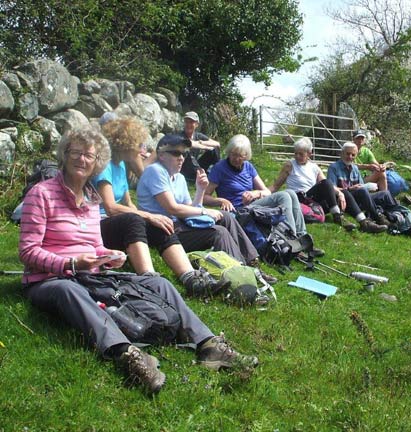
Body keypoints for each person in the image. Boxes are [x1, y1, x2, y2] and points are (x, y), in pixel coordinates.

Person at [18, 126, 258, 395]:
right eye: (76, 153)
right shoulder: (41, 194)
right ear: (64, 154)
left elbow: (95, 245)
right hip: (50, 279)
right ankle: (127, 354)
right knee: (68, 289)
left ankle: (207, 344)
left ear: (97, 162)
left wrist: (108, 257)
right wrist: (70, 265)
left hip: (90, 273)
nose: (82, 160)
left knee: (159, 283)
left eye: (89, 155)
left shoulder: (91, 197)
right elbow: (28, 252)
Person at [94, 116, 221, 294]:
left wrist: (152, 219)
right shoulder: (104, 166)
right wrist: (147, 215)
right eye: (138, 144)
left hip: (116, 221)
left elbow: (128, 202)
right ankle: (149, 278)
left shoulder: (120, 166)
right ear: (124, 143)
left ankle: (191, 278)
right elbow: (110, 207)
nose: (141, 150)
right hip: (98, 224)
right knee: (136, 219)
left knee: (160, 224)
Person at [136, 134, 276, 281]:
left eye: (184, 153)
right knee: (219, 232)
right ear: (161, 155)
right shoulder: (155, 171)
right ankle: (241, 274)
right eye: (176, 153)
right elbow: (173, 209)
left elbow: (190, 209)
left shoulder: (179, 177)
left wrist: (200, 190)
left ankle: (253, 264)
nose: (181, 158)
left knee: (226, 217)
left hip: (180, 225)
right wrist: (204, 210)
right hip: (162, 230)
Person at [203, 134, 309, 239]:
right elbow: (204, 198)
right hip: (238, 210)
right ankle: (291, 237)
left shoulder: (248, 167)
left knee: (290, 193)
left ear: (246, 155)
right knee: (283, 196)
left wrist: (256, 193)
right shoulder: (219, 168)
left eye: (240, 155)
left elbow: (266, 192)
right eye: (233, 154)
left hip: (252, 205)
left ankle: (302, 235)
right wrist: (221, 201)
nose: (236, 158)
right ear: (229, 152)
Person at [270, 137, 356, 231]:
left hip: (312, 200)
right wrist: (264, 193)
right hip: (299, 198)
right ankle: (337, 216)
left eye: (301, 154)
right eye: (296, 153)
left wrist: (340, 193)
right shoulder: (290, 165)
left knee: (344, 193)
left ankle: (363, 220)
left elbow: (328, 186)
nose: (297, 156)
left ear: (309, 154)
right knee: (327, 184)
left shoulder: (314, 167)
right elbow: (275, 186)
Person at [327, 142, 389, 233]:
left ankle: (395, 215)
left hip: (358, 197)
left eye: (353, 155)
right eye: (348, 154)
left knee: (385, 193)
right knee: (362, 192)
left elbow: (361, 185)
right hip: (344, 199)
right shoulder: (334, 167)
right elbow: (331, 188)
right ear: (342, 153)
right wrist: (350, 188)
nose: (350, 157)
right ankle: (377, 217)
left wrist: (369, 187)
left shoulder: (355, 168)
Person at [179, 111, 221, 183]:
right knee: (188, 152)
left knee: (214, 149)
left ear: (196, 124)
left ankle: (219, 173)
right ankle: (198, 175)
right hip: (184, 169)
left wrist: (201, 142)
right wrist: (204, 147)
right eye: (186, 122)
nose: (188, 124)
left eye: (191, 122)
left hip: (195, 165)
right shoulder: (179, 136)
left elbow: (217, 144)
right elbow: (189, 143)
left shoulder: (198, 136)